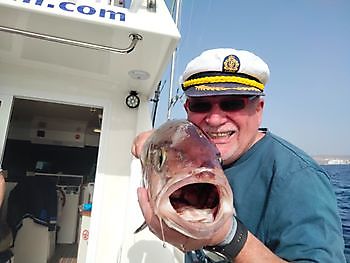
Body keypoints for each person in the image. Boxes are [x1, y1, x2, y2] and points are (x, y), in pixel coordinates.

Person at [132, 48, 346, 262]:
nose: (214, 119)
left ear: (259, 109)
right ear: (188, 109)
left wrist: (228, 238)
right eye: (201, 105)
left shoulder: (299, 177)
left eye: (233, 103)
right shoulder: (192, 151)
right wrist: (152, 143)